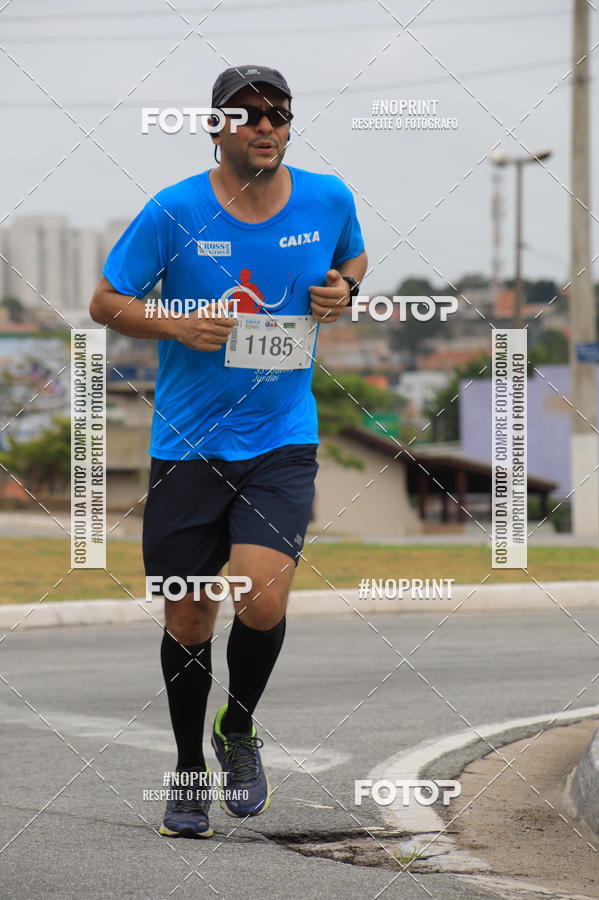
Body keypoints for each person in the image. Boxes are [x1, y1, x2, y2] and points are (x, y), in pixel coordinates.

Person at [90, 64, 367, 839]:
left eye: (277, 114)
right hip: (187, 443)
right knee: (188, 617)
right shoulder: (172, 212)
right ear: (215, 126)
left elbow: (353, 262)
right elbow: (105, 302)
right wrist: (177, 324)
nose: (265, 127)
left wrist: (344, 290)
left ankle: (237, 729)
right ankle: (185, 768)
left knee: (263, 595)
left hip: (282, 437)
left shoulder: (328, 197)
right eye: (246, 116)